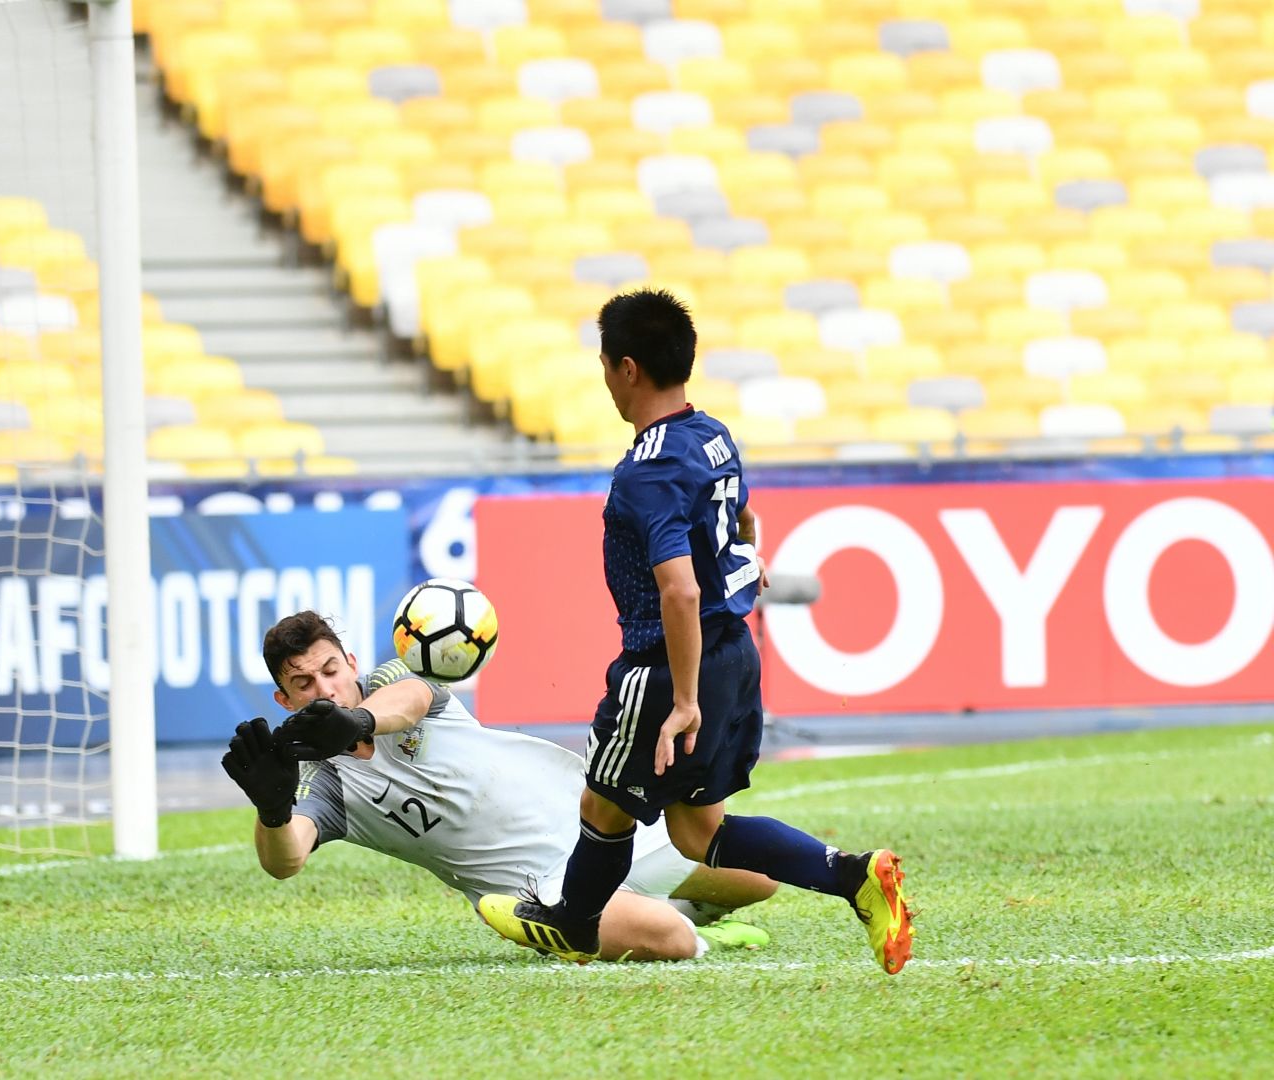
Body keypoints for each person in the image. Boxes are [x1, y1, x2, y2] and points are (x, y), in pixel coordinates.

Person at [474, 290, 916, 974]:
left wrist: (682, 699)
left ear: (626, 368)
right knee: (695, 831)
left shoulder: (646, 467)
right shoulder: (710, 433)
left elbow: (677, 587)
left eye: (602, 363)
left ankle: (572, 922)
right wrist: (743, 559)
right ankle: (854, 876)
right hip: (734, 654)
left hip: (672, 663)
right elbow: (738, 518)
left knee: (604, 802)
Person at [220, 610, 779, 963]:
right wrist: (272, 811)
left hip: (601, 826)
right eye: (303, 683)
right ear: (285, 701)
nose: (325, 688)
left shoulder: (393, 681)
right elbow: (286, 858)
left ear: (352, 663)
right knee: (673, 941)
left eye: (331, 669)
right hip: (539, 889)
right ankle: (680, 931)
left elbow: (410, 701)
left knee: (760, 879)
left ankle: (665, 906)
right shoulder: (328, 785)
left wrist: (359, 721)